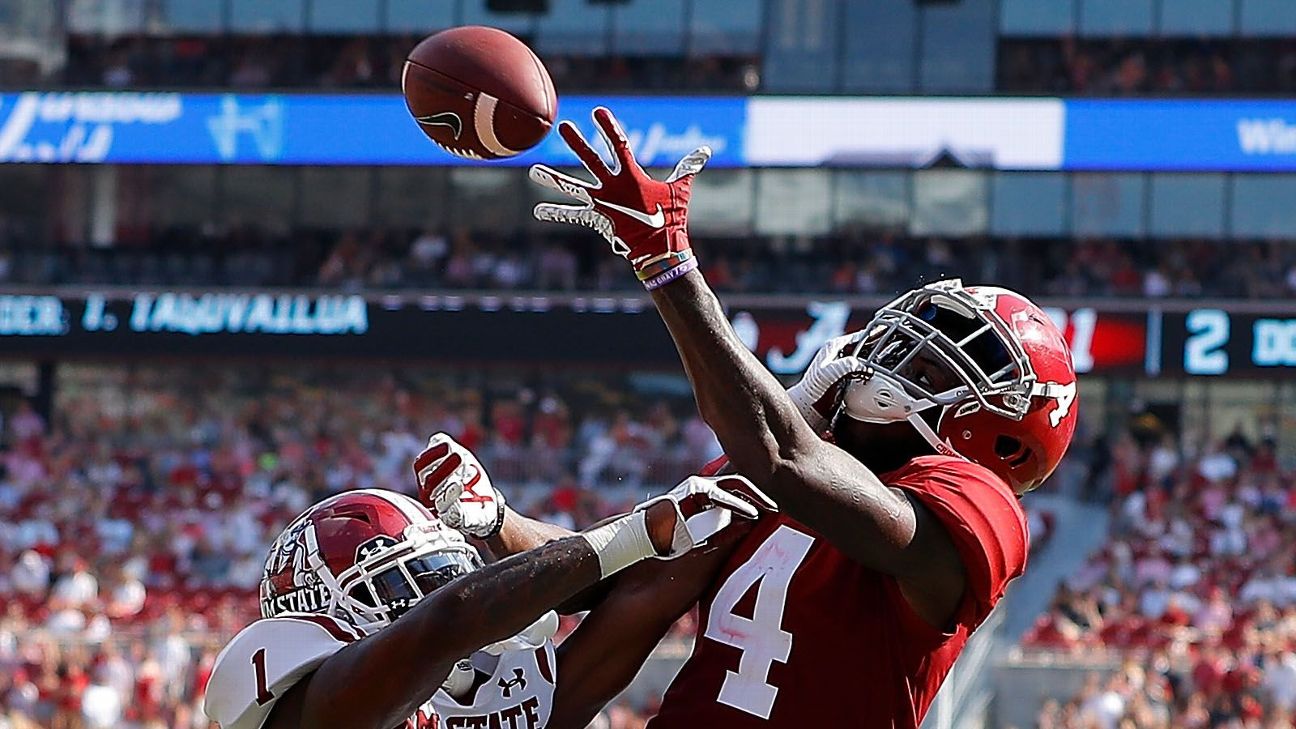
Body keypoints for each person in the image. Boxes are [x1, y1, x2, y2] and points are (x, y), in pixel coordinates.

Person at [521, 107, 1080, 727]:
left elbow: (784, 457)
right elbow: (620, 569)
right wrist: (492, 528)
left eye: (929, 368)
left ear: (1003, 438)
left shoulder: (980, 502)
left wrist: (669, 265)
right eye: (906, 345)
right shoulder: (775, 470)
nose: (892, 358)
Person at [201, 437, 761, 729]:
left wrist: (796, 420)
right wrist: (637, 533)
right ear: (323, 608)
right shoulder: (325, 711)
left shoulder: (510, 700)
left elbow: (650, 590)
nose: (439, 587)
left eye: (443, 569)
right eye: (401, 583)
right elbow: (449, 621)